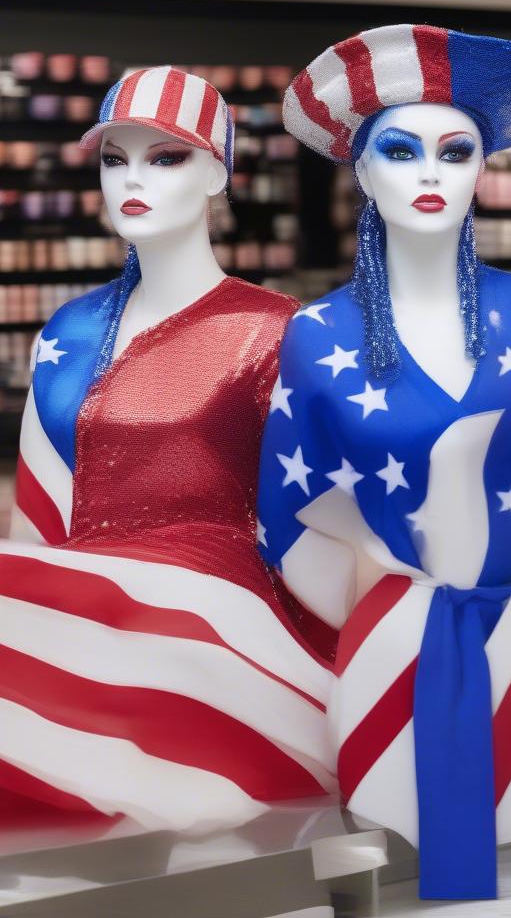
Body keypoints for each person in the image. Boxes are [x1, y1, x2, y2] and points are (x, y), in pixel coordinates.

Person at [257, 25, 511, 900]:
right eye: (400, 150)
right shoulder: (315, 336)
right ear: (362, 171)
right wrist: (387, 606)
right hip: (387, 635)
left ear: (483, 170)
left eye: (455, 153)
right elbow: (289, 509)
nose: (428, 174)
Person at [0, 67, 335, 832]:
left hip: (211, 597)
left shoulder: (277, 331)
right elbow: (39, 520)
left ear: (217, 170)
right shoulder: (69, 332)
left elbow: (311, 518)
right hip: (89, 586)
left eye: (165, 158)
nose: (132, 182)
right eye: (115, 159)